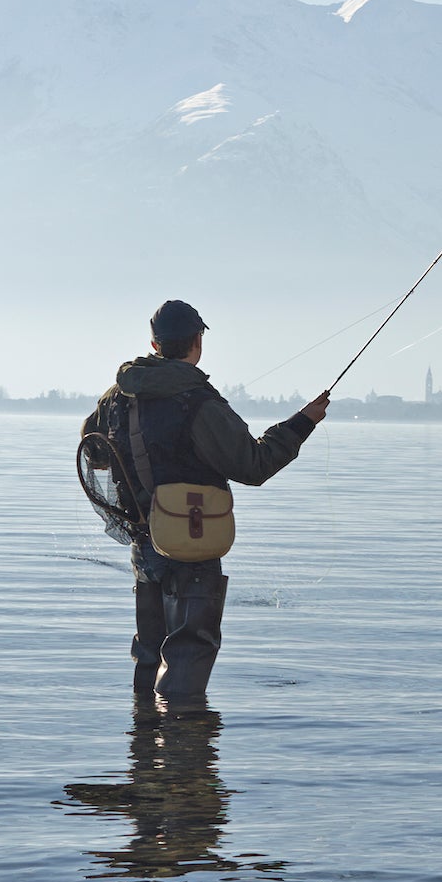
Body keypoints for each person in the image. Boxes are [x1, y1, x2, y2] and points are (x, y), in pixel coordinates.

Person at [84, 300, 329, 708]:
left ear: (155, 344)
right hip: (193, 540)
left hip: (144, 540)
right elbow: (254, 465)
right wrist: (302, 423)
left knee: (150, 650)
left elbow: (93, 452)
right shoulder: (198, 401)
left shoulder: (116, 397)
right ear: (197, 342)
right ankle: (183, 755)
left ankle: (145, 748)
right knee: (189, 650)